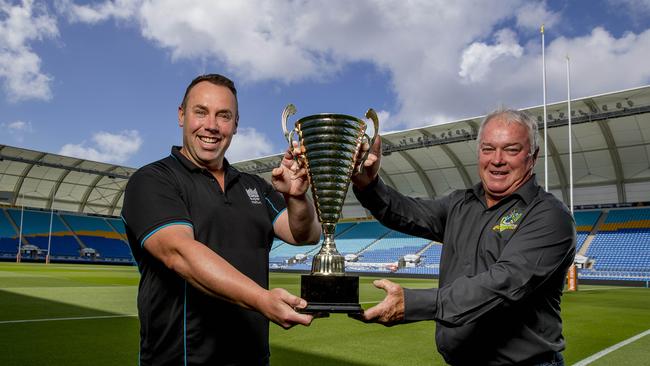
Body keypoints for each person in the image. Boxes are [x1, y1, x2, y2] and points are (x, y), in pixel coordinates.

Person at [121, 73, 321, 366]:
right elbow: (181, 254)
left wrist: (297, 196)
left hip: (252, 358)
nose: (212, 126)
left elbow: (305, 234)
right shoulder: (153, 180)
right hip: (180, 360)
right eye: (201, 112)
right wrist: (261, 299)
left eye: (223, 116)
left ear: (236, 124)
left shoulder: (254, 186)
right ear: (181, 115)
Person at [350, 108, 576, 365]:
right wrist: (368, 186)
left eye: (511, 149)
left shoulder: (548, 215)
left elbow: (502, 284)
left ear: (532, 156)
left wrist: (413, 303)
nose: (497, 159)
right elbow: (406, 212)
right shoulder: (460, 204)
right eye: (488, 149)